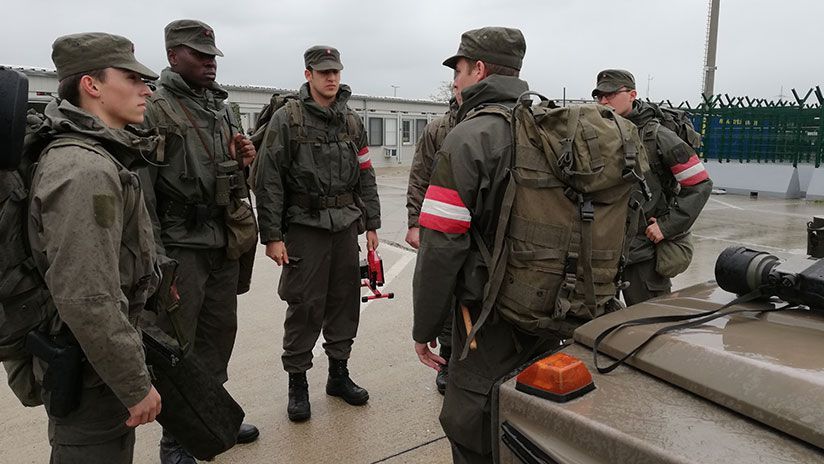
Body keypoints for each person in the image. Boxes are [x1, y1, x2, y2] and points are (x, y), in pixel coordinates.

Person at [412, 27, 563, 464]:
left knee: (471, 428)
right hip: (554, 306)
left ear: (478, 69)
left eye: (458, 70)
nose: (455, 82)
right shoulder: (549, 127)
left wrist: (425, 330)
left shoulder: (469, 137)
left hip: (487, 318)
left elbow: (440, 250)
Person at [25, 32, 162, 464]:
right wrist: (133, 383)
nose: (146, 89)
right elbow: (87, 296)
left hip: (94, 360)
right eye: (132, 78)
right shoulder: (85, 170)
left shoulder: (98, 156)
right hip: (89, 370)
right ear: (92, 85)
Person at [139, 19, 258, 463]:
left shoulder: (222, 108)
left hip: (222, 239)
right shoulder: (155, 107)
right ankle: (176, 439)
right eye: (199, 55)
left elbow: (230, 175)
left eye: (212, 56)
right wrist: (156, 259)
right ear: (173, 56)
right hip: (180, 245)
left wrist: (244, 159)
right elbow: (142, 189)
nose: (210, 64)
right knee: (176, 343)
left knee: (217, 336)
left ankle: (211, 417)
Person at [253, 45, 381, 422]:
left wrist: (372, 224)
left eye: (336, 71)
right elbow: (269, 180)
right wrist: (272, 236)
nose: (331, 78)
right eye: (323, 72)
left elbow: (366, 174)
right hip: (305, 227)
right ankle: (298, 384)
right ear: (308, 74)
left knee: (345, 301)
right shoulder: (287, 119)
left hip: (345, 226)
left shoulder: (351, 122)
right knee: (305, 305)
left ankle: (338, 375)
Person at [592, 69, 712, 305]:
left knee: (649, 321)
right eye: (599, 96)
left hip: (643, 254)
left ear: (632, 94)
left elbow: (700, 183)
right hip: (604, 250)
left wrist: (667, 226)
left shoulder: (658, 136)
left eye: (611, 94)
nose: (604, 100)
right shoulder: (596, 134)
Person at [405, 96, 457, 395]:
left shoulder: (499, 121)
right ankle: (447, 360)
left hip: (483, 227)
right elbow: (420, 176)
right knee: (443, 294)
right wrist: (415, 222)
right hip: (443, 224)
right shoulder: (439, 129)